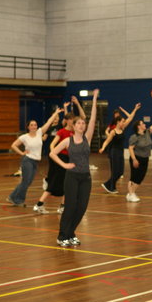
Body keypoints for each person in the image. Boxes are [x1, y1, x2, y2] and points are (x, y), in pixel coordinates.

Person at [50, 90, 99, 247]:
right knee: (70, 207)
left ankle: (71, 233)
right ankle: (62, 235)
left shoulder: (87, 138)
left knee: (82, 207)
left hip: (85, 178)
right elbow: (52, 153)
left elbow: (93, 119)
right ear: (73, 125)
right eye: (79, 123)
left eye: (83, 123)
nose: (82, 125)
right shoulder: (67, 141)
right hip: (71, 177)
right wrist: (64, 165)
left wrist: (95, 98)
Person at [34, 99, 85, 214]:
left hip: (70, 160)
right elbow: (52, 144)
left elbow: (83, 118)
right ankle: (39, 204)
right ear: (66, 121)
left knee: (68, 185)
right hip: (61, 160)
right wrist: (54, 154)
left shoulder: (76, 132)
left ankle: (62, 206)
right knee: (54, 184)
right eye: (71, 120)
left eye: (74, 120)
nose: (73, 122)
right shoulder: (61, 132)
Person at [6, 107, 63, 207]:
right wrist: (21, 153)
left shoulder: (40, 132)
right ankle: (18, 200)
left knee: (28, 182)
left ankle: (12, 197)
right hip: (27, 160)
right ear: (28, 127)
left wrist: (56, 113)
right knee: (26, 181)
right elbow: (13, 145)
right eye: (31, 125)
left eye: (35, 125)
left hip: (36, 162)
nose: (34, 126)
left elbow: (49, 122)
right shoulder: (24, 137)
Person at [127, 109, 152, 202]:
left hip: (145, 159)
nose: (144, 124)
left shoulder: (147, 133)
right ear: (138, 126)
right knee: (134, 177)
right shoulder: (134, 137)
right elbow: (130, 148)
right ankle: (131, 194)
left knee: (140, 177)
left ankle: (131, 193)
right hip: (136, 158)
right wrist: (134, 159)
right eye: (142, 124)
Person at [99, 103, 141, 194]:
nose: (124, 122)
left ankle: (108, 184)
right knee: (115, 171)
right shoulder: (113, 131)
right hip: (114, 152)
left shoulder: (122, 129)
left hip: (120, 152)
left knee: (120, 172)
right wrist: (102, 148)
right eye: (122, 121)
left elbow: (130, 118)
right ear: (118, 122)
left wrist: (135, 109)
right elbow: (107, 141)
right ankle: (110, 186)